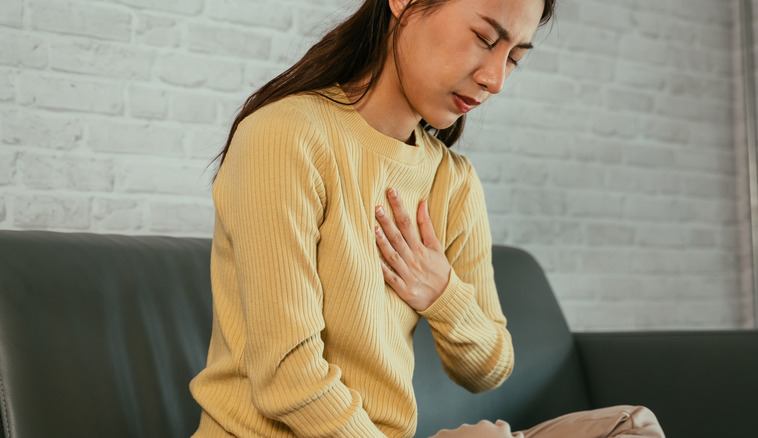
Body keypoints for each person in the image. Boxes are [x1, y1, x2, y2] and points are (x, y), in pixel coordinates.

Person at [190, 0, 666, 437]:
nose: (496, 79)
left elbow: (490, 366)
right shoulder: (285, 137)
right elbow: (288, 377)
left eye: (515, 57)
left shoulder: (453, 181)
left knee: (630, 429)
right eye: (484, 38)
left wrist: (441, 294)